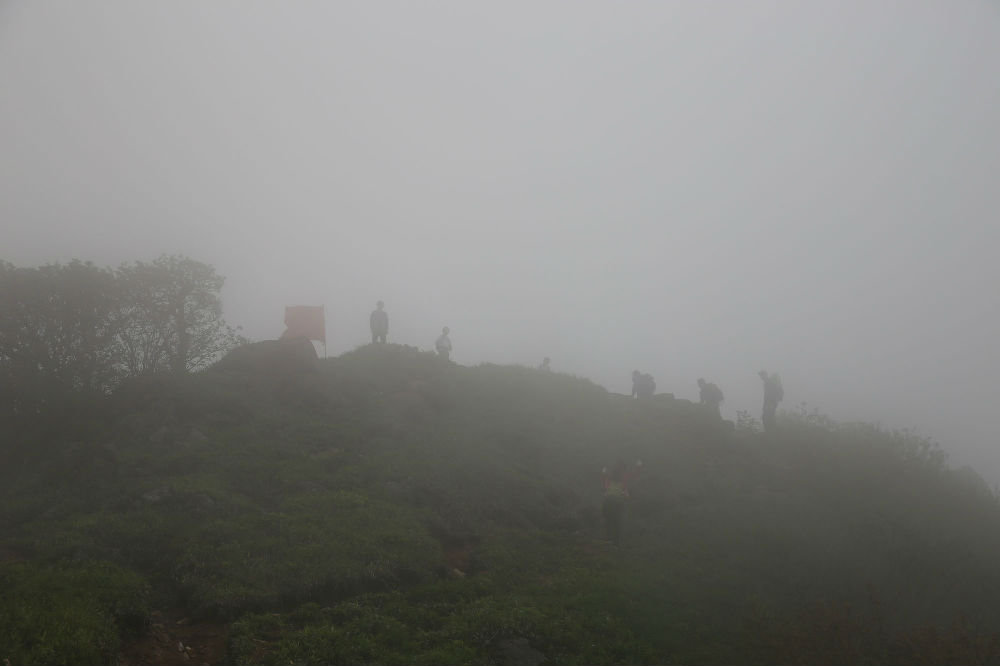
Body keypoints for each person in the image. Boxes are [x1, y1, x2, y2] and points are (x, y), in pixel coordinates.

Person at [602, 459, 643, 546]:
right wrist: (639, 465)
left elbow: (605, 482)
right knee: (617, 522)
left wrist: (604, 470)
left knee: (609, 521)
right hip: (618, 502)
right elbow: (635, 474)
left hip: (607, 501)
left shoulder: (610, 475)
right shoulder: (624, 475)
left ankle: (608, 540)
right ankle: (616, 543)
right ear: (624, 468)